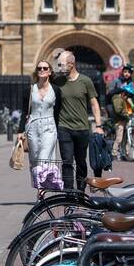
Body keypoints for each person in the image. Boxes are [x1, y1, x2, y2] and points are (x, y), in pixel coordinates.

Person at [48, 50, 103, 192]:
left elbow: (94, 103)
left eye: (61, 64)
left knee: (81, 162)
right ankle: (68, 192)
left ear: (71, 64)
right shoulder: (58, 81)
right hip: (64, 127)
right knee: (66, 162)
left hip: (82, 128)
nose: (59, 67)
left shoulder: (85, 81)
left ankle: (80, 191)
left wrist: (98, 125)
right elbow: (42, 80)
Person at [18, 61, 62, 199]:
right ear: (37, 72)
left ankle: (41, 191)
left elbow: (58, 112)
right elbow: (24, 111)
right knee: (35, 160)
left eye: (45, 68)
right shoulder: (29, 90)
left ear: (50, 72)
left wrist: (59, 131)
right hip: (32, 126)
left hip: (49, 126)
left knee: (44, 157)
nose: (42, 70)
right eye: (39, 68)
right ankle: (41, 187)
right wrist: (20, 131)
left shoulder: (56, 90)